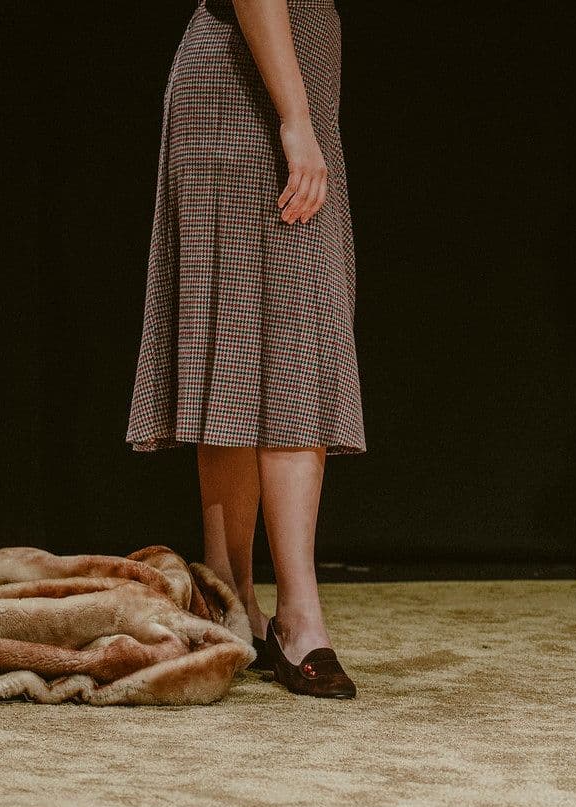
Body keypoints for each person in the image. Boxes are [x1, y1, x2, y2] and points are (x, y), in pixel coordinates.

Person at [127, 0, 366, 700]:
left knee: (240, 355)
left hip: (267, 93)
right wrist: (295, 120)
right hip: (253, 103)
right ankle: (299, 619)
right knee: (290, 351)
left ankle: (229, 605)